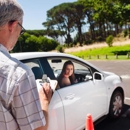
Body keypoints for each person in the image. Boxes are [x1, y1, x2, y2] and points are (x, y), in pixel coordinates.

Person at [0, 0, 52, 130]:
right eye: (21, 29)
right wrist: (44, 102)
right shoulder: (18, 74)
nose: (19, 35)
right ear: (13, 25)